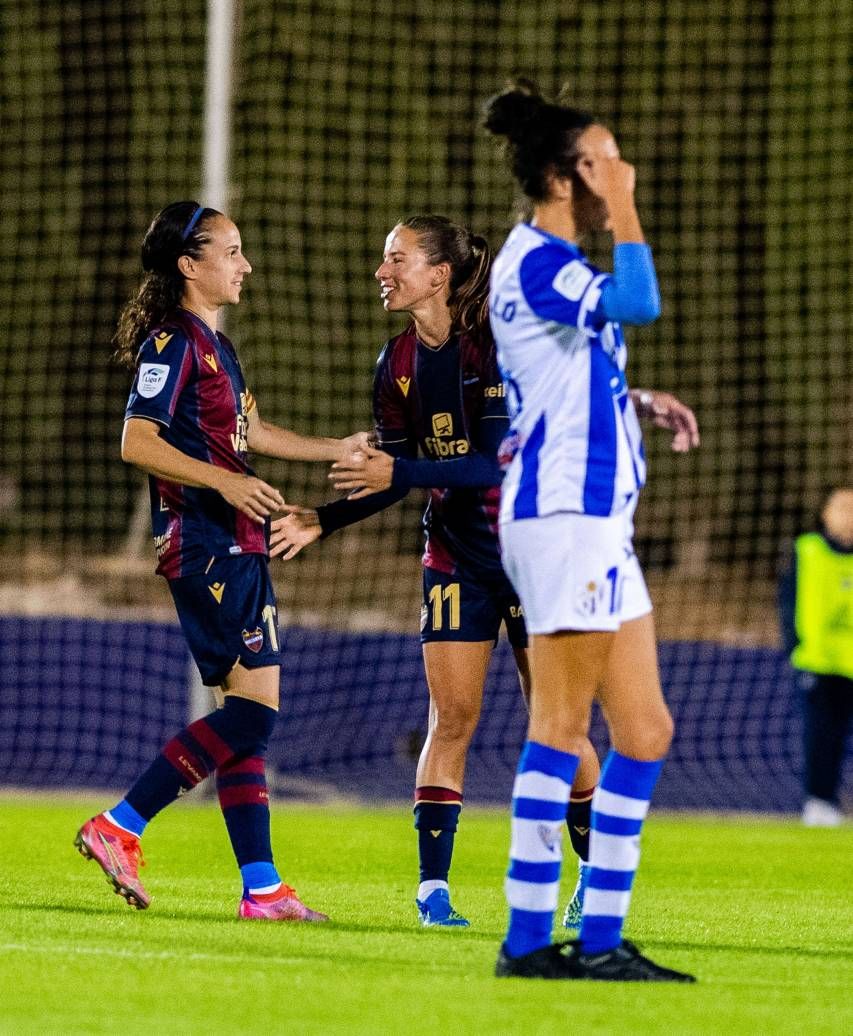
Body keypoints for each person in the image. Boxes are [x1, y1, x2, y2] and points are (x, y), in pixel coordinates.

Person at [270, 214, 697, 930]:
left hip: (531, 553)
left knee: (557, 723)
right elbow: (393, 477)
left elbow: (496, 460)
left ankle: (591, 874)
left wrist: (399, 467)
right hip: (454, 559)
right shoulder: (395, 364)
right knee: (452, 716)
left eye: (395, 258)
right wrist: (322, 518)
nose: (382, 271)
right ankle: (432, 891)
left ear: (438, 274)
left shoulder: (494, 348)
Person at [75, 200, 369, 921]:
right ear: (189, 265)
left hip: (236, 541)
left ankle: (263, 888)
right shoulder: (171, 343)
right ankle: (120, 823)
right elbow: (136, 441)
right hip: (205, 543)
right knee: (252, 717)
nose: (245, 264)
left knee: (244, 718)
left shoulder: (217, 346)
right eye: (230, 251)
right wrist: (226, 481)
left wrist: (338, 448)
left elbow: (252, 430)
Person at [484, 82, 699, 981]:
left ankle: (602, 940)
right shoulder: (535, 257)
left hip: (595, 522)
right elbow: (639, 302)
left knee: (643, 731)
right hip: (561, 519)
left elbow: (568, 371)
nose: (619, 168)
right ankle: (528, 943)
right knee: (560, 723)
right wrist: (628, 207)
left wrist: (633, 400)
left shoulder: (551, 268)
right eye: (602, 159)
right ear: (563, 176)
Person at [778, 488, 853, 826]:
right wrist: (795, 646)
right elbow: (788, 600)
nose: (848, 515)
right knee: (820, 734)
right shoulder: (806, 549)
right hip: (817, 662)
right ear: (826, 514)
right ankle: (819, 803)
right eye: (842, 507)